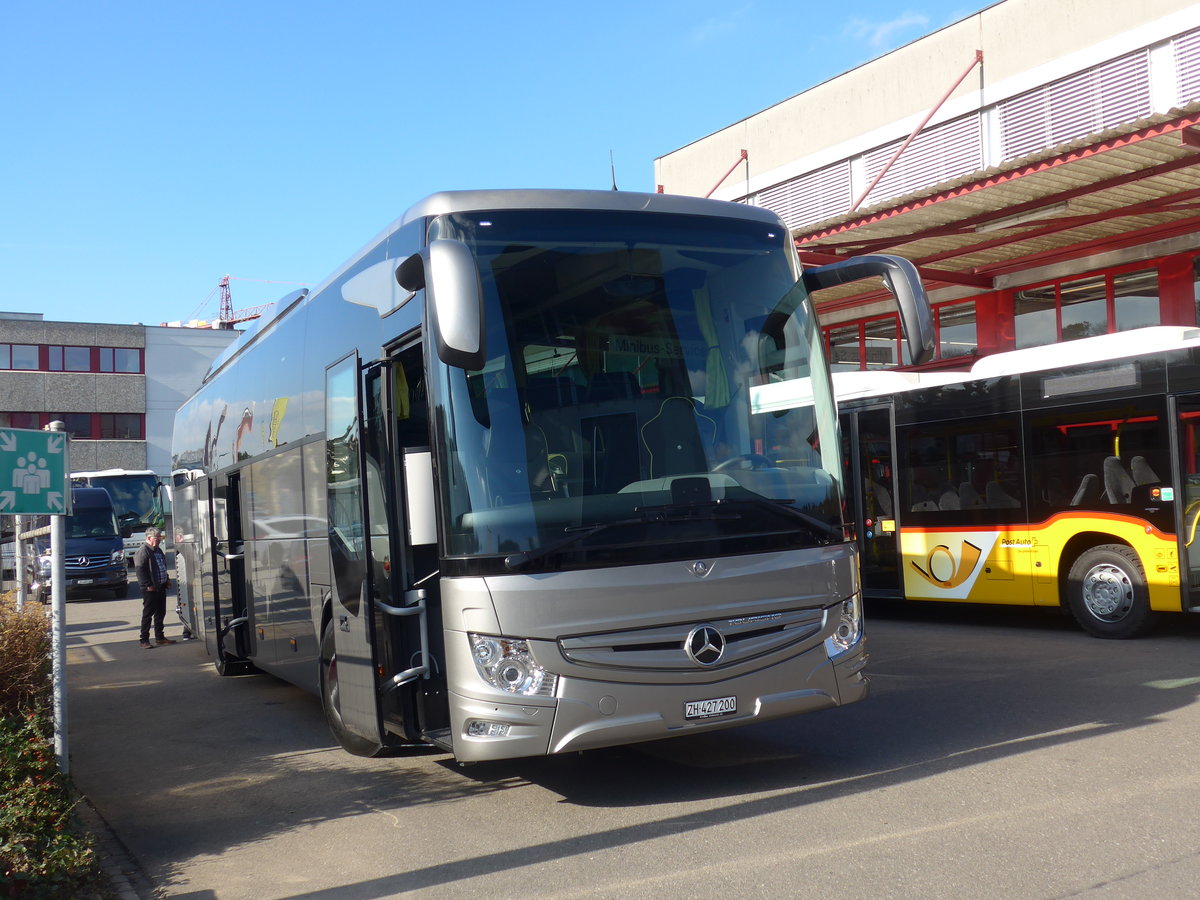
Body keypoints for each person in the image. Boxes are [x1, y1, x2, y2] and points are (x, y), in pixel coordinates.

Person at [134, 527, 175, 649]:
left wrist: (167, 579)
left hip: (160, 586)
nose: (160, 540)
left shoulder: (158, 550)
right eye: (157, 538)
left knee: (160, 612)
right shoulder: (143, 551)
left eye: (160, 537)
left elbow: (162, 566)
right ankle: (144, 640)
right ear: (149, 538)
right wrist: (148, 585)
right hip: (150, 589)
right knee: (148, 614)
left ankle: (160, 637)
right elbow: (140, 570)